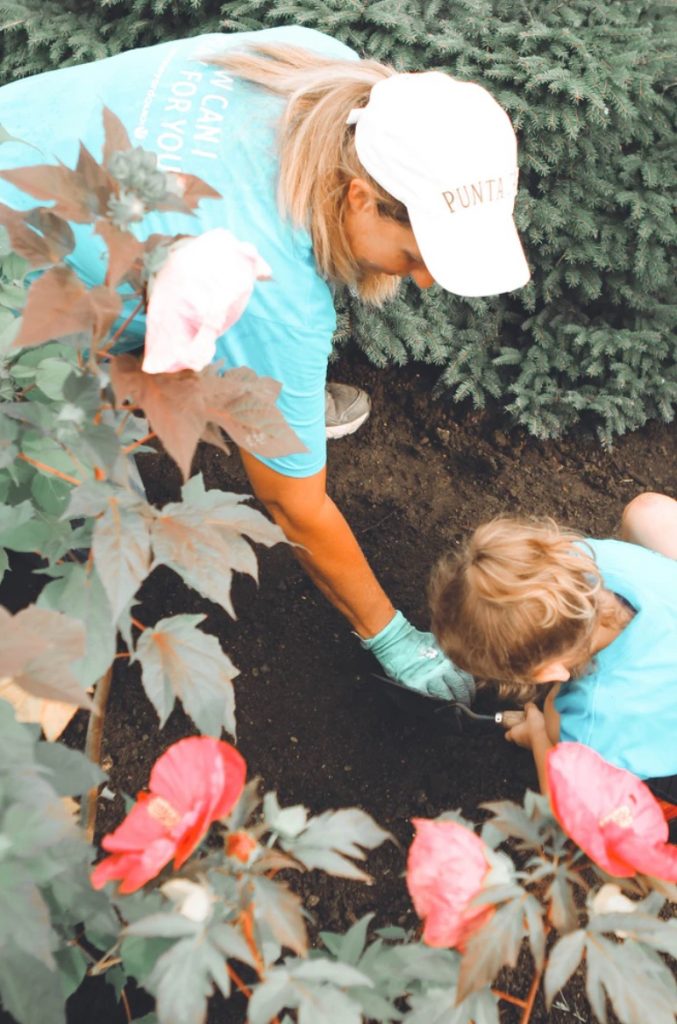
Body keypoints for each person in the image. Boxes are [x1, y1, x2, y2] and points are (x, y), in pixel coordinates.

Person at [0, 26, 530, 703]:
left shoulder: (326, 73)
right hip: (19, 273)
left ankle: (282, 395)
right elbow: (293, 505)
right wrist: (389, 634)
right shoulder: (269, 285)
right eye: (416, 254)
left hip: (25, 141)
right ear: (360, 199)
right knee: (70, 458)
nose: (423, 280)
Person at [429, 492, 677, 801]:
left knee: (554, 719)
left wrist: (538, 733)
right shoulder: (592, 560)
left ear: (550, 671)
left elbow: (565, 800)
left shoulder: (594, 719)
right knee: (649, 512)